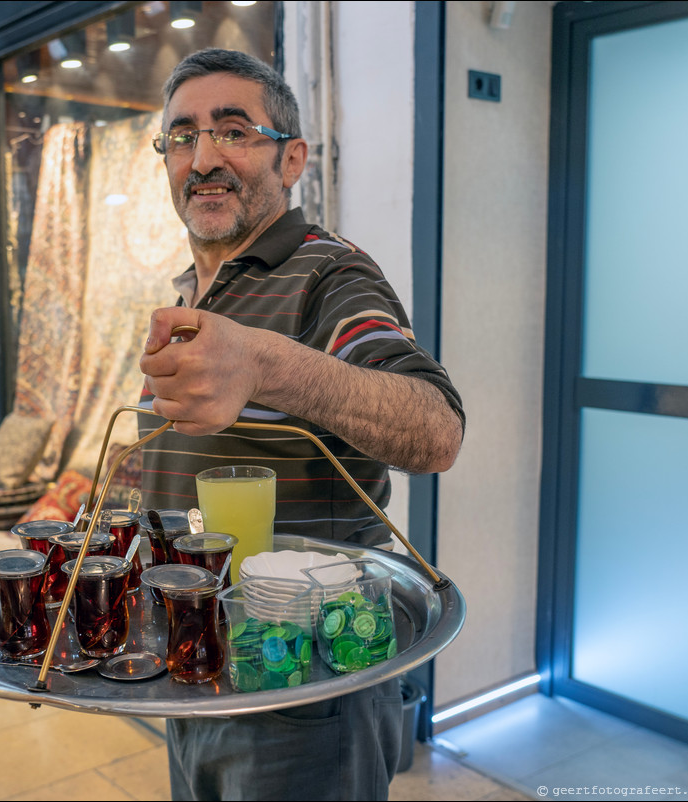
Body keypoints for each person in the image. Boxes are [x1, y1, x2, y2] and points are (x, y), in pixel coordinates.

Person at [137, 50, 466, 801]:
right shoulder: (195, 289)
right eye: (182, 136)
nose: (205, 157)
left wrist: (269, 366)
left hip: (305, 682)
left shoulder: (327, 273)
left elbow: (436, 429)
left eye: (234, 132)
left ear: (292, 159)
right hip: (202, 655)